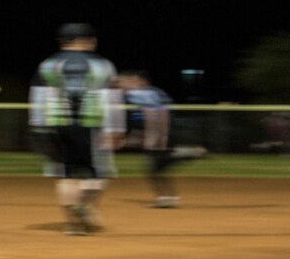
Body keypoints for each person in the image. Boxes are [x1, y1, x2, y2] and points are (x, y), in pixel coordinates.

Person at [28, 23, 124, 235]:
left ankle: (72, 224)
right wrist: (116, 129)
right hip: (91, 125)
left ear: (62, 42)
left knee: (65, 175)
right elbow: (112, 100)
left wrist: (38, 126)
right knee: (98, 174)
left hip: (56, 124)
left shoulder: (48, 64)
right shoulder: (103, 64)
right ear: (89, 40)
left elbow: (38, 97)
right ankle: (84, 203)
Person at [117, 70, 207, 208]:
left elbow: (129, 99)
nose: (123, 85)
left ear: (140, 81)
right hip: (162, 131)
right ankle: (168, 198)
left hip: (158, 133)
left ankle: (187, 154)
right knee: (158, 168)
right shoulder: (154, 92)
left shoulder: (141, 92)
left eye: (128, 81)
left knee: (154, 169)